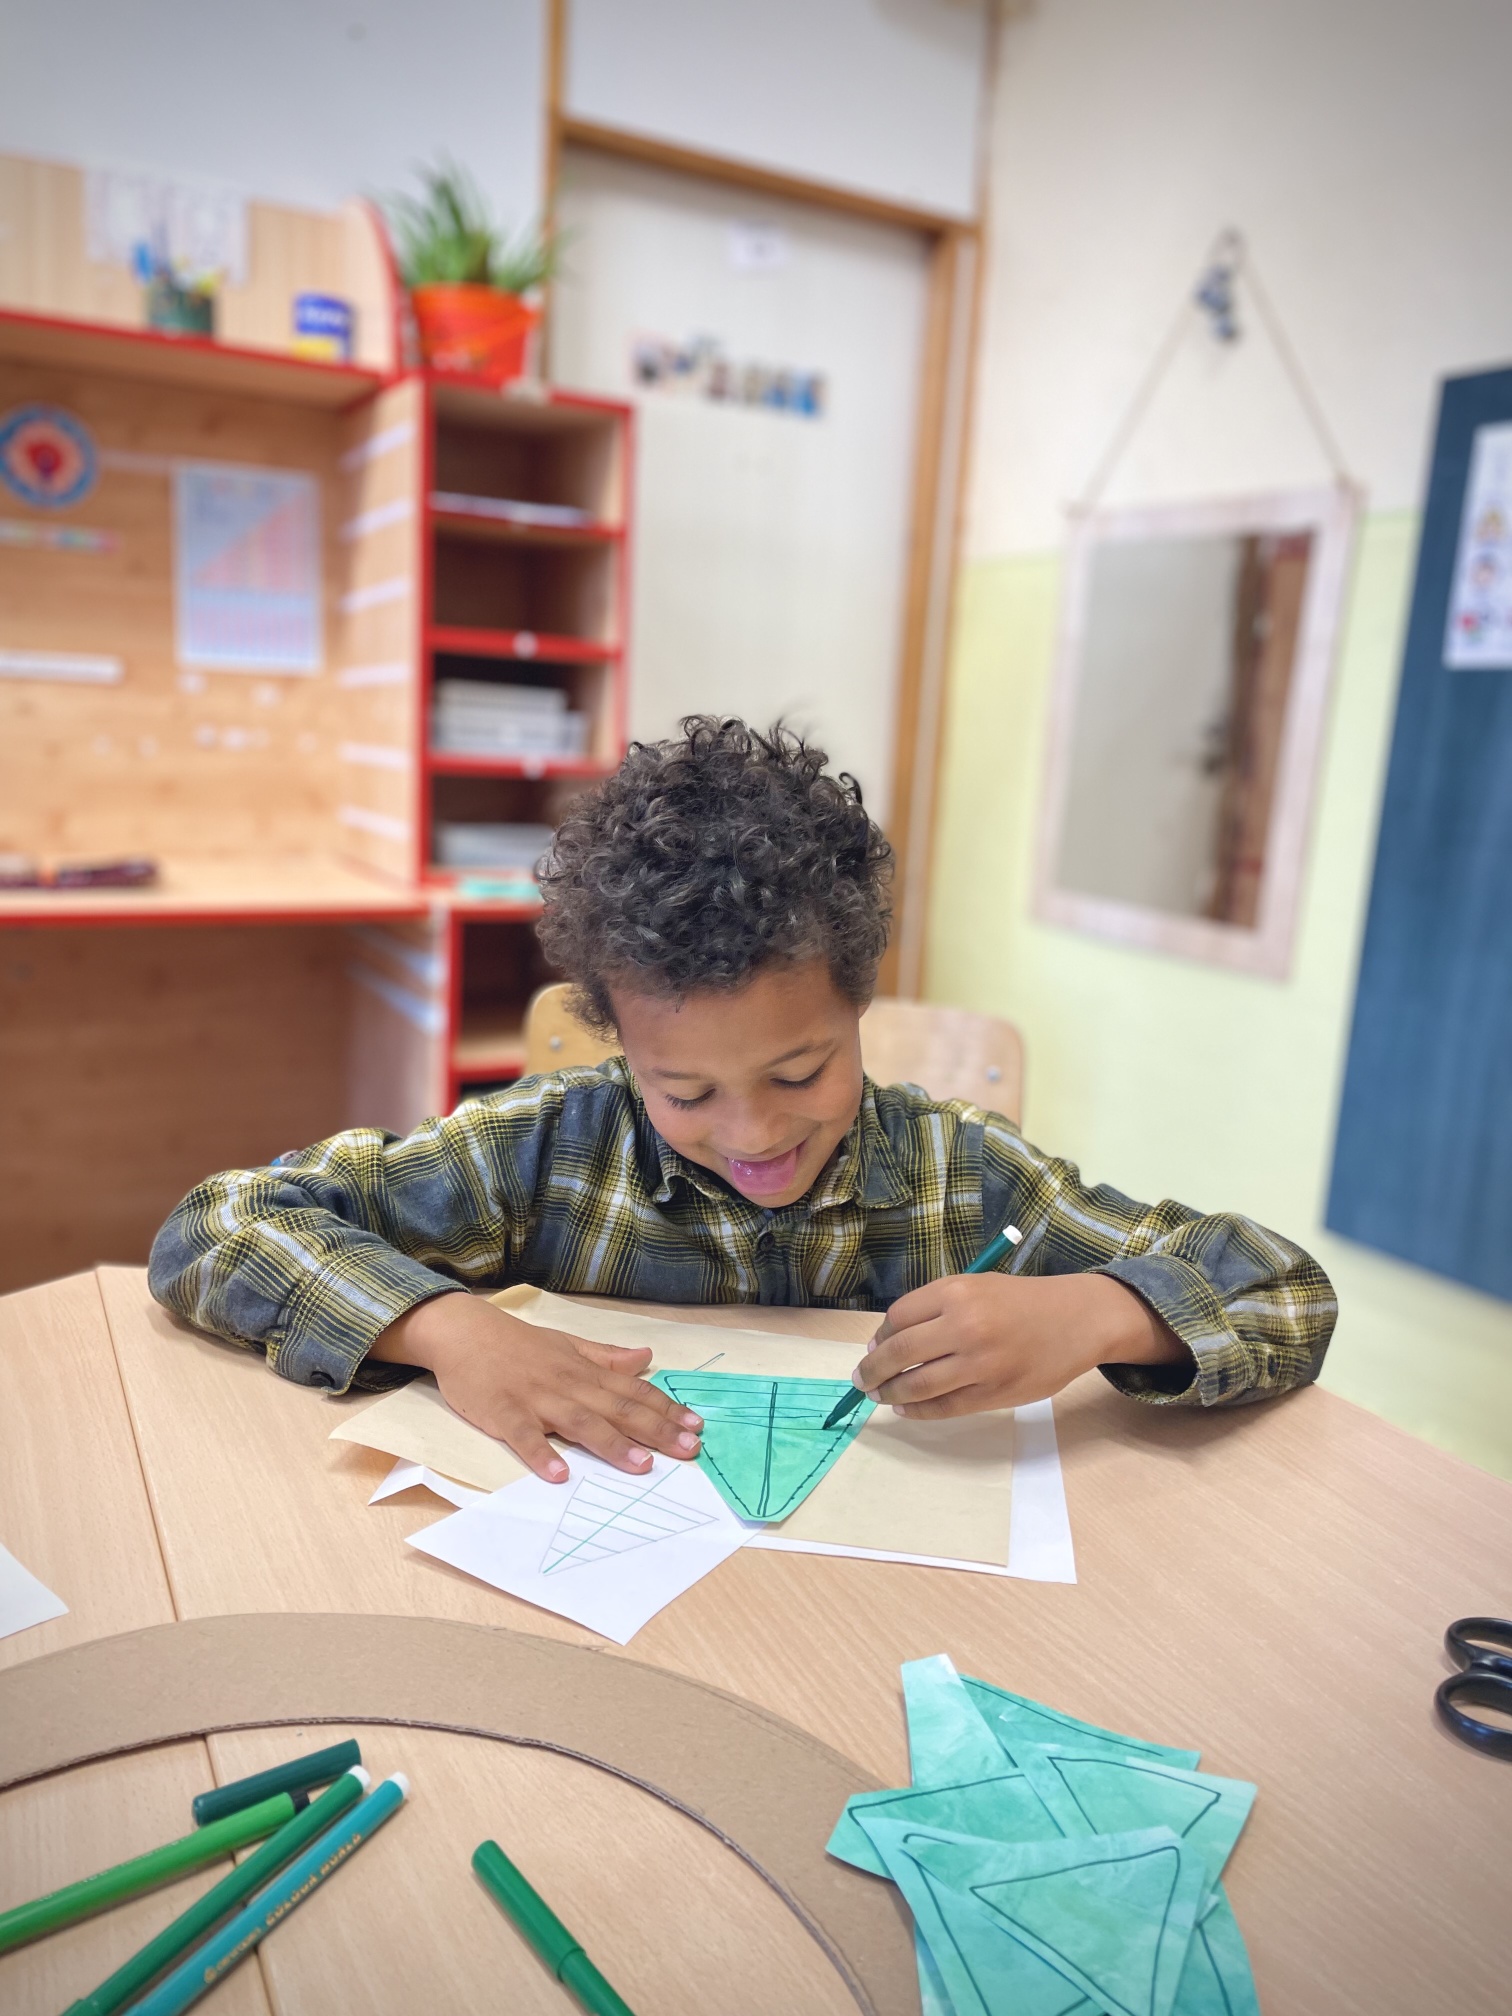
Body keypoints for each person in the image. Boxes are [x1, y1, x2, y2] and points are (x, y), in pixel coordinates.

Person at [149, 717, 1336, 1484]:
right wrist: (447, 1330)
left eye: (801, 1072)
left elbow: (1286, 1290)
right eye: (685, 1090)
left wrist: (1100, 1312)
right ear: (620, 1045)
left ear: (860, 1003)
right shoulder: (543, 1153)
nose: (757, 1133)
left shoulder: (962, 1179)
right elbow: (218, 1223)